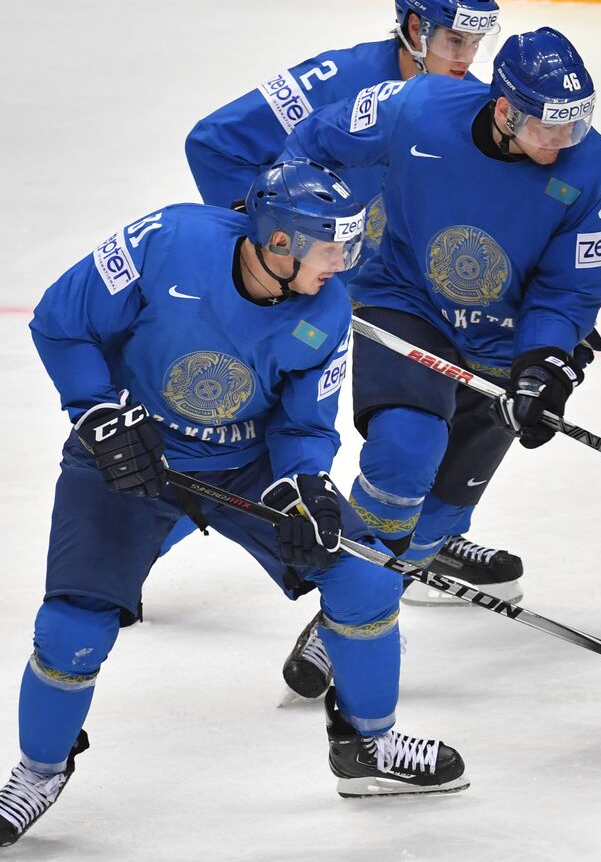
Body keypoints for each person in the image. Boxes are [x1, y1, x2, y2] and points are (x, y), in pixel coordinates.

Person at [0, 160, 468, 848]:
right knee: (72, 627)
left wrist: (304, 486)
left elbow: (304, 425)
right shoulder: (166, 241)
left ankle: (367, 745)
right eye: (331, 247)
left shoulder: (326, 309)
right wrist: (96, 411)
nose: (342, 263)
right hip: (128, 450)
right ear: (279, 242)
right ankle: (39, 772)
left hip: (247, 467)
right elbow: (61, 321)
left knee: (366, 580)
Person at [272, 26, 601, 696]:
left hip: (503, 339)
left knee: (437, 519)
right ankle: (347, 612)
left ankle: (359, 606)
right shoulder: (418, 107)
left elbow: (568, 288)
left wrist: (546, 360)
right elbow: (316, 142)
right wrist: (295, 228)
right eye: (547, 126)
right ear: (504, 110)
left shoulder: (591, 166)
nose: (562, 142)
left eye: (575, 125)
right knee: (406, 448)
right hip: (408, 301)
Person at [182, 0, 526, 609]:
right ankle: (130, 534)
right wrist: (268, 249)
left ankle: (423, 534)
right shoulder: (336, 79)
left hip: (393, 291)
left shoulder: (466, 107)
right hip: (306, 280)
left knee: (471, 395)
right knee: (234, 425)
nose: (467, 59)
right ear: (415, 29)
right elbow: (215, 144)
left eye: (476, 43)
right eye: (455, 40)